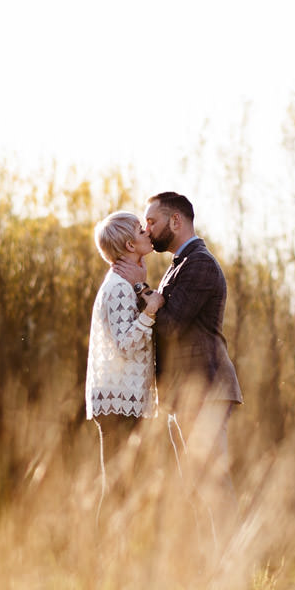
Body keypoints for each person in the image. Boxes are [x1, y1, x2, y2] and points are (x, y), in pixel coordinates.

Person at [112, 192, 241, 518]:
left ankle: (234, 563)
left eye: (152, 221)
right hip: (186, 392)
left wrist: (141, 288)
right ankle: (214, 563)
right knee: (197, 485)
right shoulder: (180, 264)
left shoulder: (199, 264)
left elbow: (170, 326)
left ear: (176, 221)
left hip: (205, 388)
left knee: (212, 482)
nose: (147, 229)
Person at [84, 211, 164, 507]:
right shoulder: (117, 288)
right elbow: (126, 344)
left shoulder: (127, 283)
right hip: (117, 399)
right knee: (118, 487)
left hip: (126, 398)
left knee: (128, 484)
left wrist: (143, 289)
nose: (148, 233)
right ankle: (104, 552)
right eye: (141, 230)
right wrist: (150, 311)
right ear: (130, 245)